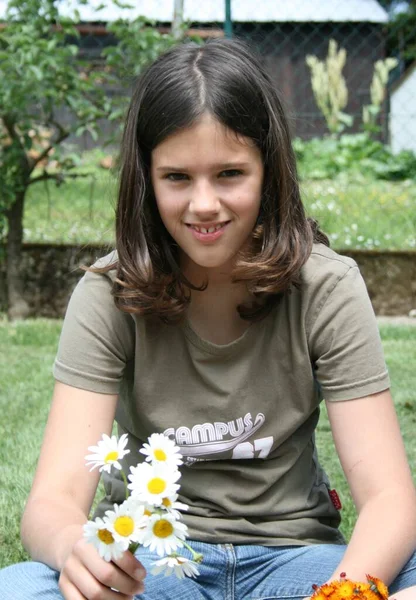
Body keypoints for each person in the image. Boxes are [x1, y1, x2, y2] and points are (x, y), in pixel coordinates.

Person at [0, 38, 415, 600]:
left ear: (269, 170)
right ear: (145, 177)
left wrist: (346, 592)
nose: (203, 205)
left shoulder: (327, 287)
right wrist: (77, 550)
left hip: (297, 563)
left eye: (229, 174)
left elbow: (389, 498)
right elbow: (52, 502)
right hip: (152, 565)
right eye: (176, 177)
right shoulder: (107, 294)